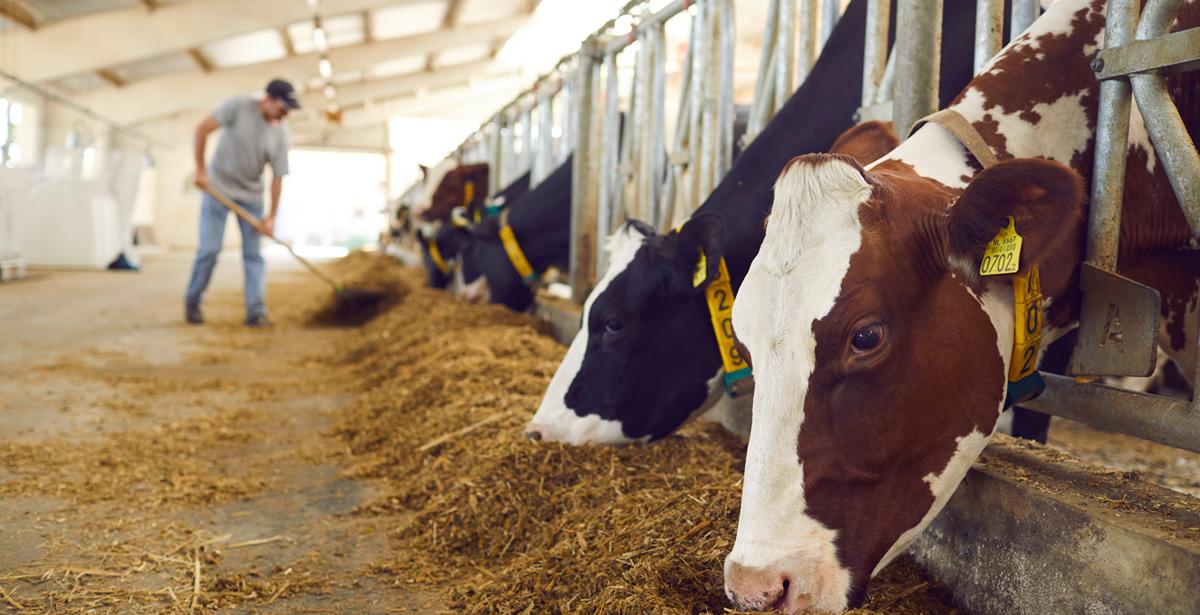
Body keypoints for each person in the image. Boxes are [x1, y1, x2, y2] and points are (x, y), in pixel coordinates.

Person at [184, 78, 297, 326]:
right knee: (210, 250)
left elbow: (278, 177)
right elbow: (202, 129)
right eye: (282, 107)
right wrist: (201, 171)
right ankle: (192, 302)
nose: (285, 114)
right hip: (218, 189)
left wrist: (271, 217)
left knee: (253, 255)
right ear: (267, 99)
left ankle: (256, 311)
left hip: (251, 198)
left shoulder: (281, 133)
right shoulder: (239, 106)